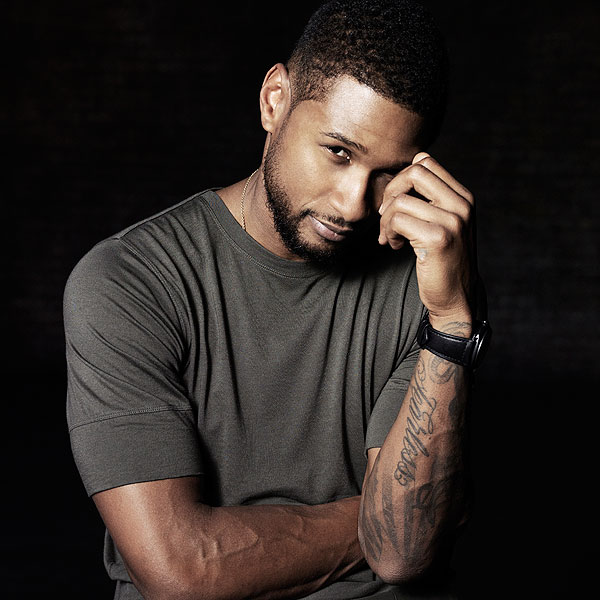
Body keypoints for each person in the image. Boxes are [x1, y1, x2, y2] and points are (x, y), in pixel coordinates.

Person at [64, 1, 491, 598]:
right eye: (338, 152)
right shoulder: (128, 281)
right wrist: (377, 520)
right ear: (274, 101)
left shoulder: (429, 282)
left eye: (387, 173)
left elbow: (404, 555)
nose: (352, 204)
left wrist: (452, 322)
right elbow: (179, 572)